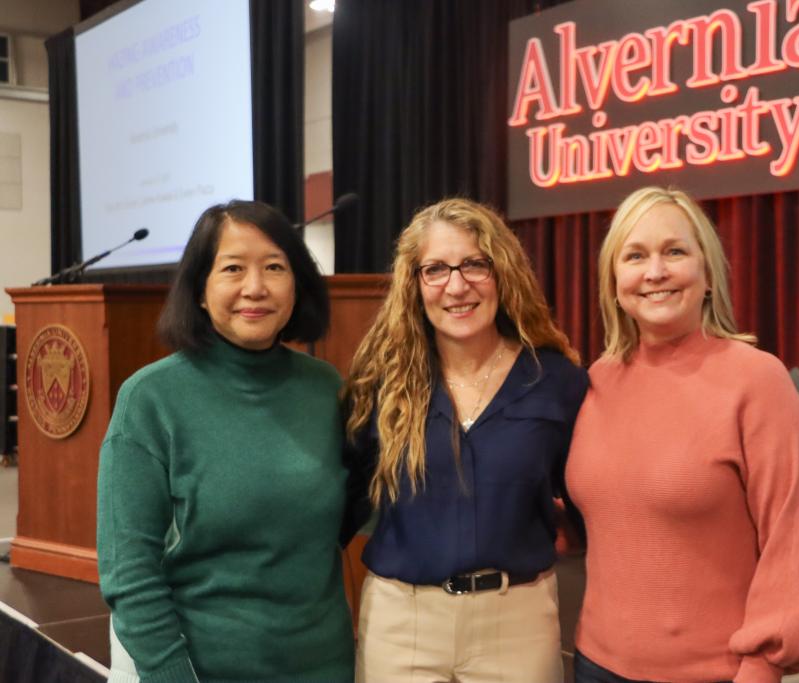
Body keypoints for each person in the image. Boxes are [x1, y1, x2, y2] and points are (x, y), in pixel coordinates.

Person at [566, 187, 799, 683]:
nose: (655, 272)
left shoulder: (758, 380)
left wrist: (763, 667)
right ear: (614, 280)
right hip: (594, 665)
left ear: (707, 275)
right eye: (635, 255)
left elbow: (792, 540)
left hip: (716, 675)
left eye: (675, 251)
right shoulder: (598, 379)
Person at [97, 200, 358, 683]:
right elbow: (129, 572)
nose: (255, 288)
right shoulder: (150, 399)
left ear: (297, 284)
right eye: (233, 268)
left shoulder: (327, 389)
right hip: (202, 670)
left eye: (275, 268)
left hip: (324, 666)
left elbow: (345, 522)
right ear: (199, 289)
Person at [344, 197, 587, 683]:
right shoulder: (382, 383)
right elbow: (341, 499)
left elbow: (590, 500)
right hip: (402, 624)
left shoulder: (556, 381)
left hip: (516, 622)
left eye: (475, 264)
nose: (456, 286)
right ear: (414, 285)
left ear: (504, 273)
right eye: (435, 269)